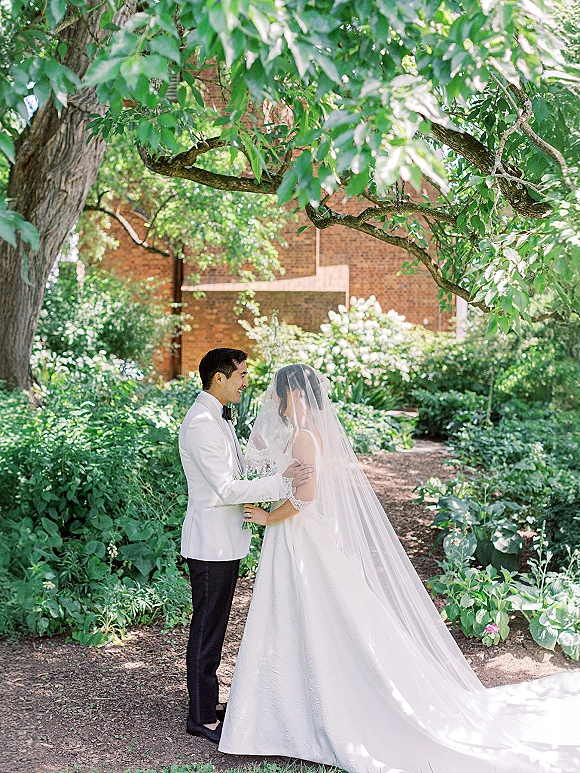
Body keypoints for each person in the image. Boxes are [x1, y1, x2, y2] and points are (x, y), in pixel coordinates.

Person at [219, 363, 580, 773]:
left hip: (299, 540)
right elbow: (286, 477)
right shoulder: (305, 435)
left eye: (276, 394)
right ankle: (286, 708)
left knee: (308, 618)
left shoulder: (303, 437)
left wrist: (267, 518)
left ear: (294, 395)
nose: (273, 401)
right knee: (302, 620)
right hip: (302, 541)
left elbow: (306, 497)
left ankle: (298, 712)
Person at [178, 349, 314, 744]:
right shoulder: (202, 424)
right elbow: (225, 490)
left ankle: (208, 701)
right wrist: (282, 482)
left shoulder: (216, 418)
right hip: (210, 544)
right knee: (206, 628)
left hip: (225, 542)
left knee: (214, 625)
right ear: (218, 378)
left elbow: (235, 474)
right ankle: (200, 716)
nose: (245, 382)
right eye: (239, 375)